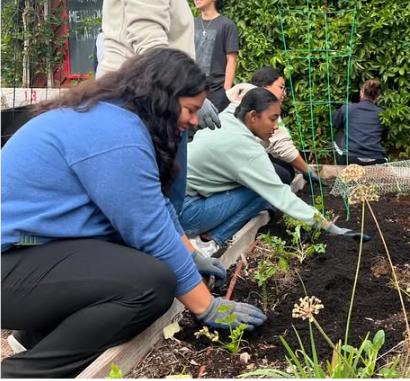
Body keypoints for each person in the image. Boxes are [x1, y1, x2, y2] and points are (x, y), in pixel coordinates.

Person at [0, 49, 266, 379]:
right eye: (190, 109)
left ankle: (36, 338)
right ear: (163, 98)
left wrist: (189, 253)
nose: (195, 120)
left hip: (25, 250)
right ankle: (25, 374)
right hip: (10, 263)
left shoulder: (114, 118)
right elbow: (148, 231)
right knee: (150, 285)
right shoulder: (115, 135)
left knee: (136, 261)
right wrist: (207, 306)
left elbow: (151, 203)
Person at [96, 0, 221, 217]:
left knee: (163, 202)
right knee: (154, 205)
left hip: (154, 99)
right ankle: (166, 265)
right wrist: (189, 93)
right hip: (140, 103)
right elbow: (149, 40)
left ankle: (171, 261)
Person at [182, 87, 370, 257]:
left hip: (171, 203)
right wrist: (331, 227)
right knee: (265, 193)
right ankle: (208, 240)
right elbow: (281, 196)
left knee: (264, 186)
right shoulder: (245, 149)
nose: (275, 126)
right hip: (185, 214)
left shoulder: (227, 119)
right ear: (253, 116)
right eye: (272, 119)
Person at [226, 66, 318, 185]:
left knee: (286, 167)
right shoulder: (264, 103)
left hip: (235, 153)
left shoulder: (242, 96)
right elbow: (281, 145)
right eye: (281, 87)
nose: (284, 93)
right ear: (266, 87)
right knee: (283, 176)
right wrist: (307, 170)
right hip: (235, 158)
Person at [193, 0, 240, 112]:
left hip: (217, 91)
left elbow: (232, 59)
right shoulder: (191, 24)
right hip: (193, 89)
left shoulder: (226, 25)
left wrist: (226, 90)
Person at [333, 79, 387, 166]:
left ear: (361, 93)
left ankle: (343, 170)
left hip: (350, 159)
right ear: (378, 97)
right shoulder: (383, 113)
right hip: (377, 159)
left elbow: (335, 124)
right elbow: (384, 136)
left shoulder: (347, 108)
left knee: (339, 134)